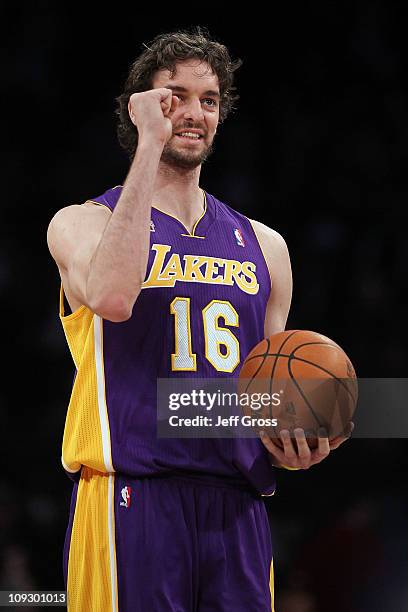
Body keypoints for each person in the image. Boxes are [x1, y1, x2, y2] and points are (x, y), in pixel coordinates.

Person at [47, 27, 352, 612]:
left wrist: (296, 437)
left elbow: (269, 388)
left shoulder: (265, 246)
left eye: (207, 100)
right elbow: (113, 298)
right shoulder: (82, 223)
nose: (192, 113)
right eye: (173, 97)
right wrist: (147, 146)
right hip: (131, 497)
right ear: (140, 109)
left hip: (237, 506)